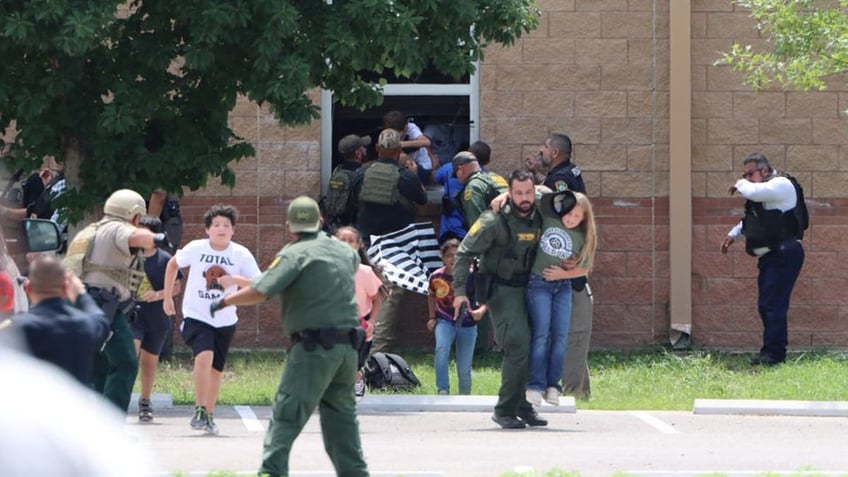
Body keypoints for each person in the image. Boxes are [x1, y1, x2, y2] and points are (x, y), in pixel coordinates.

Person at [209, 196, 369, 477]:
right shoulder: (346, 252)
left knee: (288, 412)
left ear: (290, 227)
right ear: (320, 222)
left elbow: (261, 290)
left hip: (314, 349)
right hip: (348, 352)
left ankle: (271, 471)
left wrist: (225, 302)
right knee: (342, 421)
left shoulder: (294, 253)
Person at [452, 170, 546, 430]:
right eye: (517, 193)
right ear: (509, 193)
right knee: (517, 343)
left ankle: (523, 406)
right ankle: (504, 409)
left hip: (532, 287)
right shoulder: (493, 220)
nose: (524, 198)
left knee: (536, 345)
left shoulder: (542, 207)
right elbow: (463, 254)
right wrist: (460, 293)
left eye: (529, 192)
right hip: (502, 289)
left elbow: (566, 197)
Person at [64, 188, 170, 412]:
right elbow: (134, 236)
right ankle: (111, 426)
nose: (139, 223)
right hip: (103, 306)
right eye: (139, 218)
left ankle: (94, 423)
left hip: (85, 304)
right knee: (126, 362)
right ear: (133, 215)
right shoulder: (117, 228)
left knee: (99, 366)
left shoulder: (91, 230)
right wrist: (155, 237)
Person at [162, 204, 260, 434]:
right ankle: (199, 409)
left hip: (225, 318)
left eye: (226, 225)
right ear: (207, 229)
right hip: (197, 315)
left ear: (233, 230)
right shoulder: (196, 248)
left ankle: (209, 414)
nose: (221, 229)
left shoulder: (240, 254)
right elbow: (172, 264)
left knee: (216, 369)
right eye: (216, 225)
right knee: (204, 356)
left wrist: (234, 278)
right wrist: (167, 297)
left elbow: (260, 282)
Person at [720, 153, 805, 366]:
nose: (747, 178)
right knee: (767, 305)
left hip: (785, 253)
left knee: (772, 305)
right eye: (744, 174)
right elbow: (753, 217)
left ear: (765, 171)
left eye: (750, 173)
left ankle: (774, 356)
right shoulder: (762, 193)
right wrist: (733, 235)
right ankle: (770, 352)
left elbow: (755, 193)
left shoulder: (781, 185)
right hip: (772, 256)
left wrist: (740, 183)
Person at [350, 128, 427, 353]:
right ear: (398, 150)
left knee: (361, 294)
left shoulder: (361, 174)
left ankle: (358, 347)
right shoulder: (406, 177)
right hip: (396, 247)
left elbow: (354, 199)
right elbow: (422, 199)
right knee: (388, 297)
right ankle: (377, 353)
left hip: (364, 246)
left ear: (377, 149)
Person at [535, 132, 594, 399]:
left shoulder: (559, 180)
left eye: (544, 147)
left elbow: (561, 216)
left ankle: (573, 393)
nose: (541, 151)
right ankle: (581, 393)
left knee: (571, 337)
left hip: (565, 271)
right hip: (570, 269)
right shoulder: (570, 172)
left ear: (555, 152)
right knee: (575, 338)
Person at [525, 191, 597, 407]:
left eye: (578, 216)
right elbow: (537, 193)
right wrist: (502, 197)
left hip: (567, 287)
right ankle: (537, 386)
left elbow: (585, 269)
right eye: (570, 212)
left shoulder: (583, 237)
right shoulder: (550, 219)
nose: (572, 218)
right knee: (541, 335)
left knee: (565, 339)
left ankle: (562, 389)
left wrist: (563, 274)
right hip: (540, 284)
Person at [10, 255, 109, 385]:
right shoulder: (86, 325)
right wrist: (80, 294)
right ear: (65, 289)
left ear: (28, 289)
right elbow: (100, 318)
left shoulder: (16, 328)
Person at [131, 215, 182, 422]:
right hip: (133, 314)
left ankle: (145, 401)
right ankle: (120, 396)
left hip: (157, 316)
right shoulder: (128, 256)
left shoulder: (165, 259)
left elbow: (177, 286)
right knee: (129, 354)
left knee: (150, 362)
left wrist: (159, 294)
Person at [427, 238, 486, 395]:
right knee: (441, 348)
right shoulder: (436, 276)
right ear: (442, 257)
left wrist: (481, 310)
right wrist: (432, 317)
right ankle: (443, 389)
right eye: (449, 255)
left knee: (464, 367)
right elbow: (431, 296)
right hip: (444, 320)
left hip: (468, 323)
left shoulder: (472, 275)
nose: (453, 259)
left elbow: (485, 296)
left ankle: (464, 396)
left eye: (457, 255)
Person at [335, 225, 384, 402]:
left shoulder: (365, 272)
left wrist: (372, 321)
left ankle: (357, 379)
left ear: (357, 246)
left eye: (351, 241)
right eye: (342, 241)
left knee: (354, 363)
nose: (346, 245)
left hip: (359, 324)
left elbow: (377, 299)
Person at [323, 134, 371, 233]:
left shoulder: (337, 171)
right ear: (358, 153)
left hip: (336, 226)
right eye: (363, 148)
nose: (366, 150)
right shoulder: (361, 175)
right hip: (353, 227)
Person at [383, 110, 435, 185]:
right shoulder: (388, 133)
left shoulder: (411, 128)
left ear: (405, 127)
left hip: (421, 166)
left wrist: (403, 144)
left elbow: (427, 142)